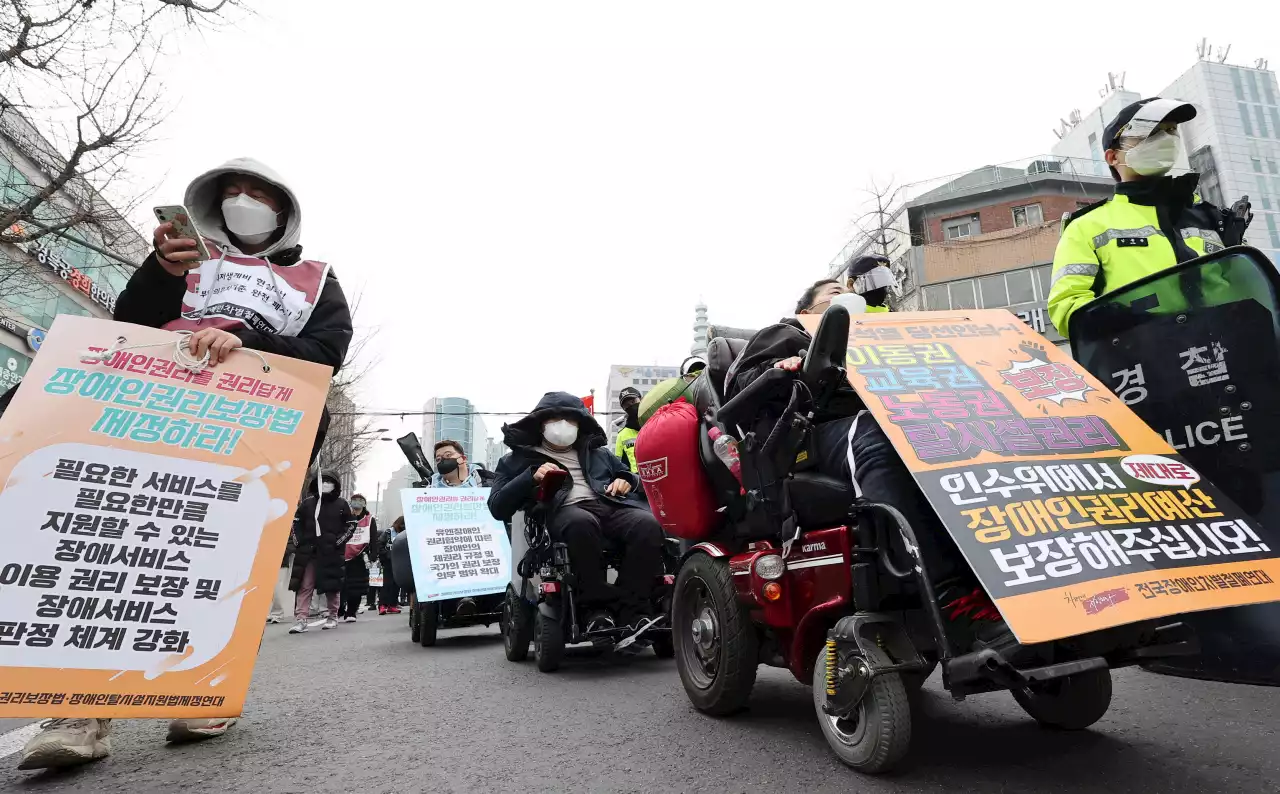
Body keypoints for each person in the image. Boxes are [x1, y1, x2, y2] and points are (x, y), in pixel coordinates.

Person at [18, 158, 353, 771]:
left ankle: (204, 688)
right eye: (231, 194)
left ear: (282, 210)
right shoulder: (183, 262)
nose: (243, 202)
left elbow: (325, 352)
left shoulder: (315, 279)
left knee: (226, 551)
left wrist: (251, 345)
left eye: (257, 194)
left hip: (251, 425)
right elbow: (127, 325)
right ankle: (80, 710)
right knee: (116, 548)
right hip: (152, 408)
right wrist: (160, 272)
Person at [726, 279, 1011, 654]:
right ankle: (946, 602)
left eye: (847, 288)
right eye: (832, 291)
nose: (844, 291)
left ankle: (1003, 589)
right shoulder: (786, 332)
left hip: (899, 417)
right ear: (808, 311)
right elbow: (740, 385)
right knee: (875, 434)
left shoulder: (884, 337)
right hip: (808, 434)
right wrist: (782, 368)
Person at [1047, 97, 1251, 338]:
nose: (1166, 138)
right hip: (1144, 364)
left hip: (1233, 358)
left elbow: (1254, 292)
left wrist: (1238, 249)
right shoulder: (1086, 227)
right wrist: (1134, 324)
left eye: (1171, 130)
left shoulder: (1211, 217)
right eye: (1150, 132)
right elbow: (1066, 308)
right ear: (1113, 157)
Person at [487, 392, 665, 631]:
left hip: (610, 506)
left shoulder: (599, 453)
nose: (562, 425)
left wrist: (626, 481)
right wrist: (529, 476)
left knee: (648, 524)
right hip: (564, 511)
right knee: (581, 523)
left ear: (580, 424)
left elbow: (630, 477)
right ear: (541, 424)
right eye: (555, 418)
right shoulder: (516, 460)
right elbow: (497, 507)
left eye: (570, 419)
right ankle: (595, 609)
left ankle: (632, 609)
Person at [429, 440, 498, 616]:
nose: (442, 461)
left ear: (463, 458)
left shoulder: (488, 481)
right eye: (438, 459)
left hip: (487, 538)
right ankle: (463, 597)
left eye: (448, 456)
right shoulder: (429, 490)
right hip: (449, 544)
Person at [289, 473, 356, 633]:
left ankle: (333, 616)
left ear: (335, 485)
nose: (326, 484)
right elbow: (296, 523)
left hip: (331, 552)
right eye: (323, 481)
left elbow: (351, 524)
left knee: (331, 585)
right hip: (309, 552)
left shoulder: (342, 504)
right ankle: (301, 619)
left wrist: (338, 542)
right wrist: (298, 542)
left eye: (329, 482)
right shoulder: (307, 504)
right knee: (305, 586)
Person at [338, 493, 379, 622]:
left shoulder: (369, 519)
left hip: (360, 556)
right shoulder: (344, 517)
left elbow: (374, 538)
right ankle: (339, 609)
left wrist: (373, 555)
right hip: (342, 555)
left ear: (364, 504)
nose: (357, 502)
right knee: (340, 585)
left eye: (360, 500)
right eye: (354, 500)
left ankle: (351, 612)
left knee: (355, 586)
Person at [378, 517, 406, 615]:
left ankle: (392, 605)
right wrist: (386, 555)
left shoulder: (405, 534)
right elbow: (379, 544)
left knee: (396, 584)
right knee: (387, 583)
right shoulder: (388, 532)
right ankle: (382, 605)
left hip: (400, 562)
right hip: (388, 562)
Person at [613, 386, 643, 473]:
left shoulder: (655, 422)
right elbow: (619, 465)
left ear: (641, 399)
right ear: (624, 409)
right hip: (638, 482)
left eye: (633, 401)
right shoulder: (621, 435)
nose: (631, 406)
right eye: (627, 405)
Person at [268, 535, 295, 624]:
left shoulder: (285, 526)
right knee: (269, 589)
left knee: (277, 588)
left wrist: (281, 552)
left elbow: (291, 543)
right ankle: (272, 612)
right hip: (266, 560)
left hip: (281, 561)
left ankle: (277, 613)